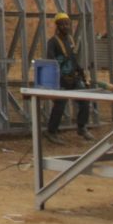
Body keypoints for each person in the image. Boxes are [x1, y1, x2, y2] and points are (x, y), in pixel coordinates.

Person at [42, 12, 92, 140]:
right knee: (60, 104)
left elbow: (73, 59)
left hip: (73, 77)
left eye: (67, 24)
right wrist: (58, 79)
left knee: (84, 100)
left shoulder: (70, 40)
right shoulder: (52, 42)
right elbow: (51, 62)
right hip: (60, 79)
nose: (66, 26)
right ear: (57, 26)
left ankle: (82, 127)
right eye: (63, 24)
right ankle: (51, 131)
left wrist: (81, 72)